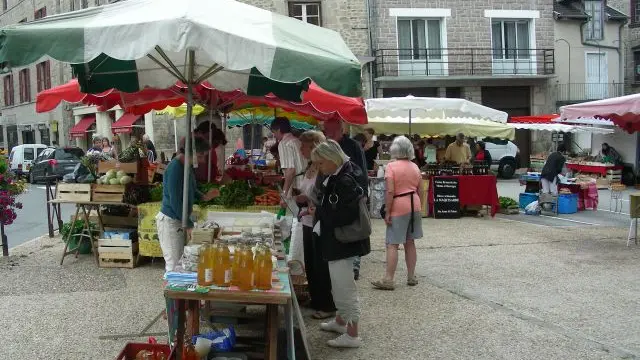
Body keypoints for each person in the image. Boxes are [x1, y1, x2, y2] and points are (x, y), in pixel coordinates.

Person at [311, 140, 370, 348]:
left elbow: (343, 215)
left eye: (320, 164)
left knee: (344, 286)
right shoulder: (346, 171)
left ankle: (352, 335)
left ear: (331, 159)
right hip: (339, 240)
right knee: (338, 283)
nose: (319, 168)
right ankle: (340, 321)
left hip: (343, 241)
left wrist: (319, 213)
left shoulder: (344, 179)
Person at [156, 136, 220, 272]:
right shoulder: (175, 168)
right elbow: (175, 201)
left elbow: (190, 187)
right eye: (201, 156)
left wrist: (204, 197)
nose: (203, 160)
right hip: (171, 221)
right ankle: (170, 292)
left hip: (180, 219)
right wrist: (189, 225)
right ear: (193, 153)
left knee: (181, 261)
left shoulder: (187, 167)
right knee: (173, 264)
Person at [372, 136, 422, 291]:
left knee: (392, 243)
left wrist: (387, 211)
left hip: (399, 205)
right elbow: (420, 190)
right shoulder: (415, 167)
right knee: (410, 242)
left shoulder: (392, 167)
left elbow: (390, 191)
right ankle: (411, 276)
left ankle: (388, 279)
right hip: (415, 203)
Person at [295, 130, 336, 320]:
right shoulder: (310, 166)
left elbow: (322, 195)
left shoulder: (322, 168)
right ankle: (316, 297)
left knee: (321, 264)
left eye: (303, 146)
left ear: (313, 147)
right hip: (307, 219)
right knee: (310, 263)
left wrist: (308, 198)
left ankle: (327, 304)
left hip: (318, 220)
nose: (300, 149)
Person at [271, 117, 306, 198]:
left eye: (274, 132)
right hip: (305, 183)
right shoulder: (297, 140)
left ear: (279, 130)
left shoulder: (284, 143)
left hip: (296, 186)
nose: (274, 135)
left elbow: (290, 170)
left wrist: (284, 192)